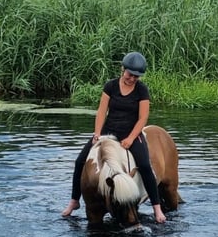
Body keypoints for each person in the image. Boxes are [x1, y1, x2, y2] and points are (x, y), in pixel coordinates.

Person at [62, 51, 166, 224]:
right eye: (130, 74)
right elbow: (102, 111)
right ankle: (74, 201)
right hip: (108, 131)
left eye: (136, 76)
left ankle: (157, 208)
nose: (132, 79)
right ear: (122, 69)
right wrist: (97, 133)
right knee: (80, 161)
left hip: (131, 133)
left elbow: (143, 118)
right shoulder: (110, 86)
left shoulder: (141, 89)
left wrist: (131, 138)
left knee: (146, 166)